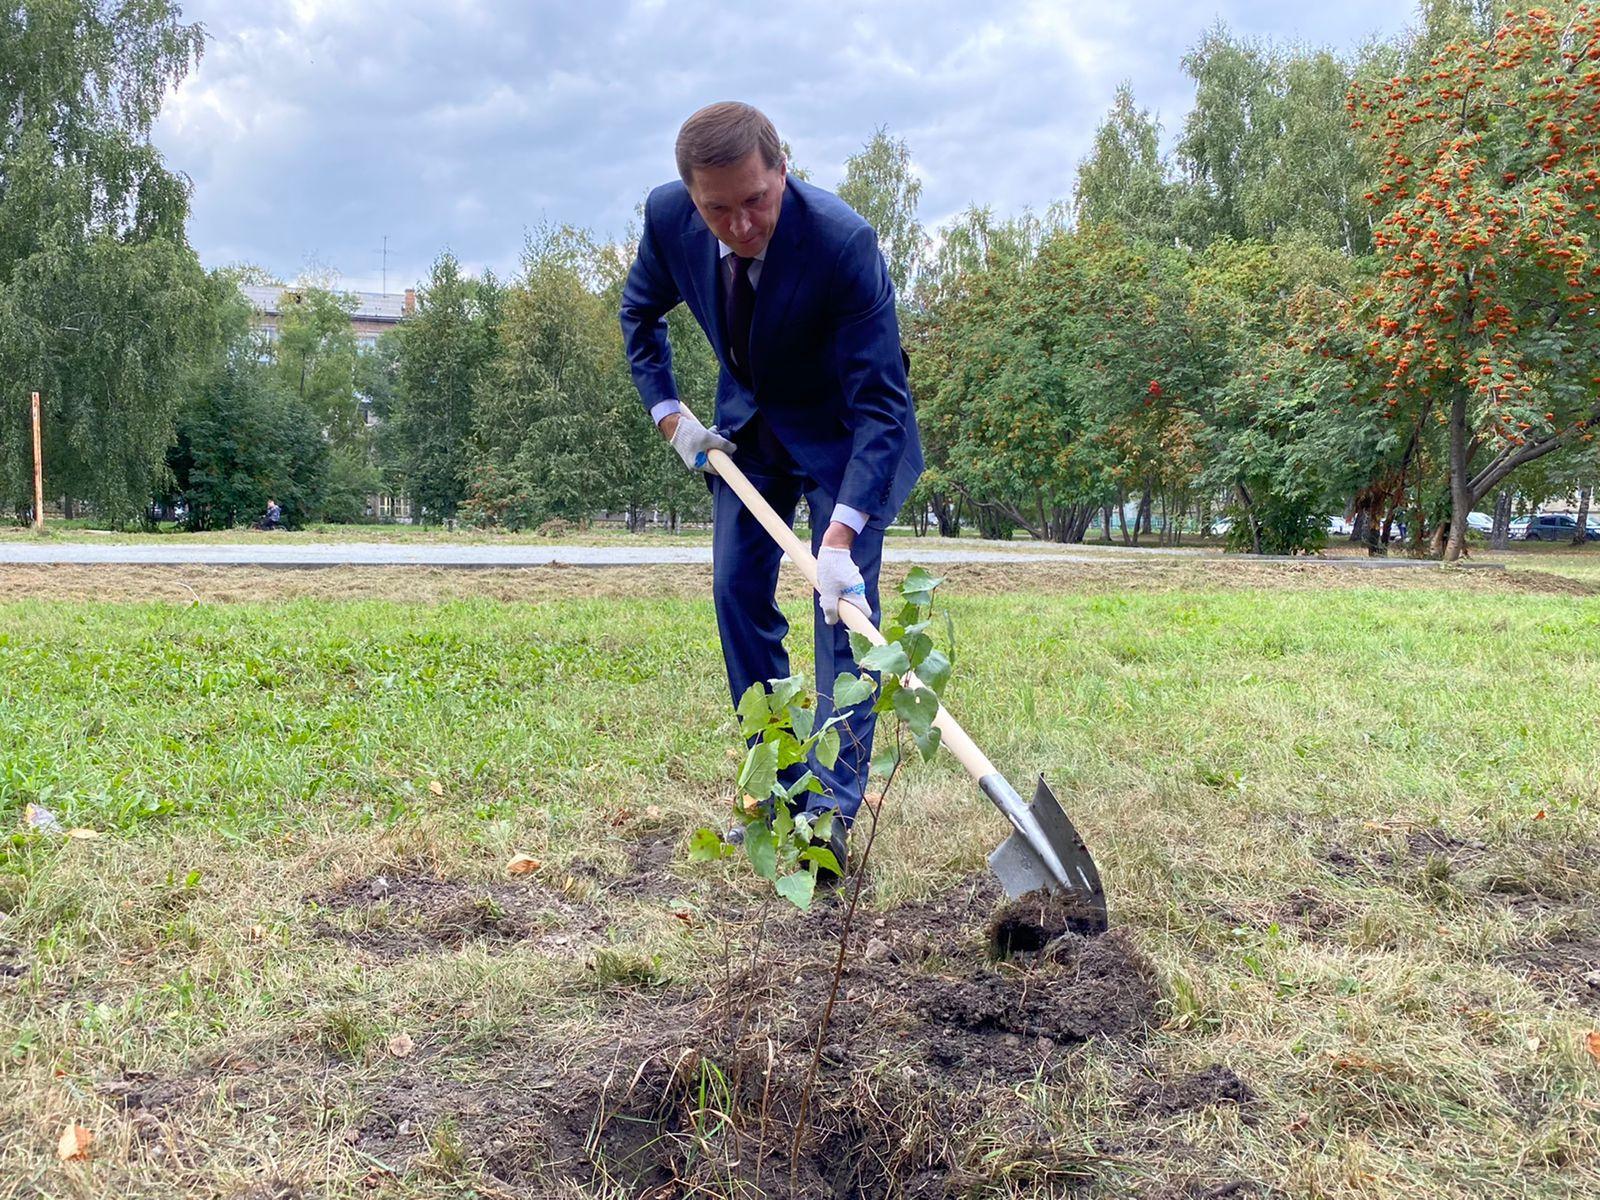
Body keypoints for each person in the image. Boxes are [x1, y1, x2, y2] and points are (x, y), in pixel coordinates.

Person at [620, 102, 923, 882]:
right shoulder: (668, 219)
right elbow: (640, 315)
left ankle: (829, 816)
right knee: (735, 591)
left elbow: (883, 404)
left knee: (844, 621)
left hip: (844, 436)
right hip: (748, 430)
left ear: (782, 169)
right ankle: (782, 782)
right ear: (691, 198)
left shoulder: (842, 241)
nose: (741, 224)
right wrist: (668, 414)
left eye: (756, 199)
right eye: (718, 209)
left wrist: (843, 536)